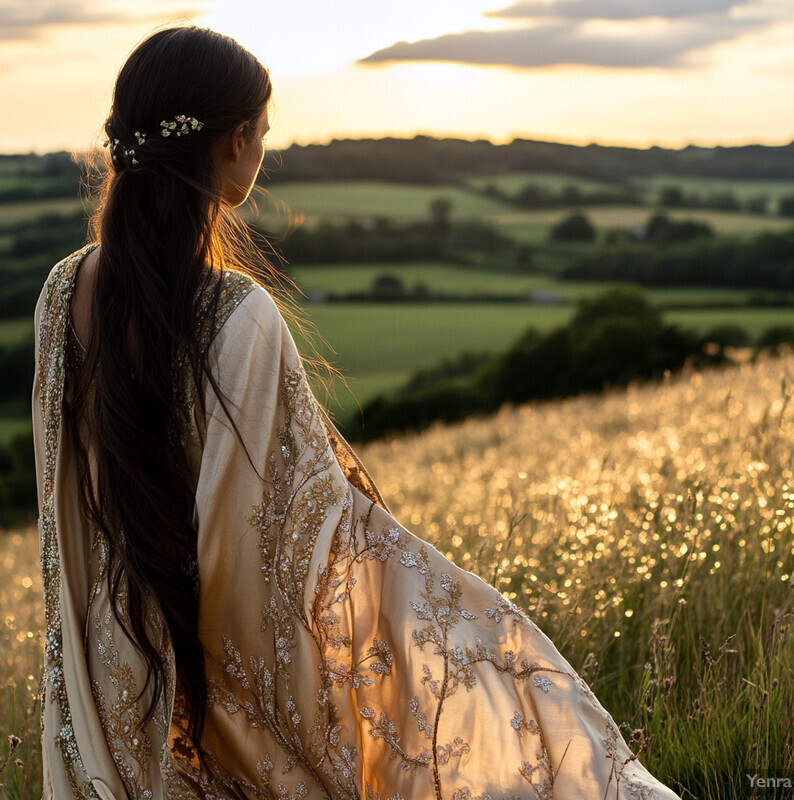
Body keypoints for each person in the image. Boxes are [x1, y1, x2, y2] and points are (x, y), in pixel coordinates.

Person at [32, 25, 681, 800]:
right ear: (234, 142)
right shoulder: (239, 314)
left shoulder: (59, 297)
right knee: (495, 669)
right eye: (264, 132)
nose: (265, 150)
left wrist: (84, 661)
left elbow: (61, 503)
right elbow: (282, 533)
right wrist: (439, 600)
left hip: (110, 653)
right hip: (200, 659)